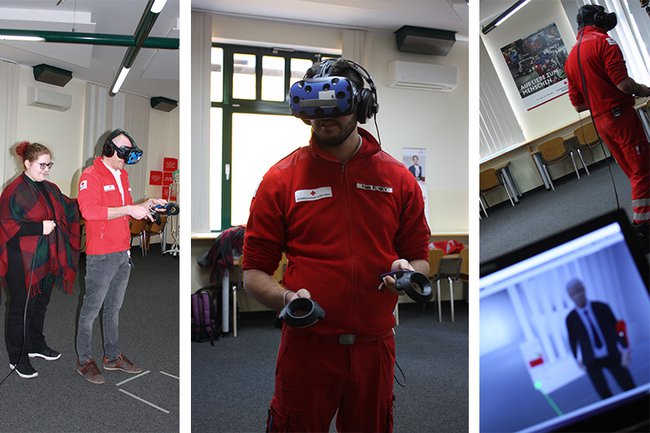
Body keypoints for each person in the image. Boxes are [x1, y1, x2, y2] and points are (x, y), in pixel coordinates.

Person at [242, 58, 430, 432]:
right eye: (315, 109)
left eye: (337, 106)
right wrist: (286, 299)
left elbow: (420, 259)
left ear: (361, 108)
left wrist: (409, 274)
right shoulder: (280, 180)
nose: (325, 118)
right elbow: (253, 272)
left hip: (374, 348)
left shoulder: (397, 179)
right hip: (308, 347)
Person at [75, 129, 166, 384]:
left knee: (113, 308)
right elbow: (90, 211)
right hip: (100, 255)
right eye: (122, 154)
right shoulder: (90, 176)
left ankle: (112, 356)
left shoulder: (122, 174)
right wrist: (129, 208)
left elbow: (123, 211)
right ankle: (84, 360)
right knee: (91, 310)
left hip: (122, 253)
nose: (125, 160)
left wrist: (146, 204)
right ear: (108, 150)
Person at [564, 4, 650, 249]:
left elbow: (579, 105)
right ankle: (642, 228)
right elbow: (623, 85)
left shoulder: (570, 59)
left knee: (635, 171)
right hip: (620, 117)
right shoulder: (605, 42)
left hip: (601, 123)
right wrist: (645, 90)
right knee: (642, 170)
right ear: (599, 19)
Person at [0, 141, 80, 378]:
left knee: (40, 304)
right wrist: (37, 227)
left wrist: (87, 201)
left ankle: (36, 345)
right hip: (19, 260)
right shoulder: (13, 191)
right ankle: (17, 357)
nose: (46, 169)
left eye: (49, 164)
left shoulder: (50, 188)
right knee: (20, 309)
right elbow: (5, 225)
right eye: (42, 164)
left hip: (46, 257)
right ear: (27, 163)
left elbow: (67, 207)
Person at [565, 278, 635, 399]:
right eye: (573, 293)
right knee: (604, 394)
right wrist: (577, 359)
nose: (578, 295)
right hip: (591, 360)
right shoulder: (571, 318)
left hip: (612, 354)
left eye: (579, 290)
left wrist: (625, 348)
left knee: (628, 385)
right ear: (570, 296)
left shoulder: (602, 307)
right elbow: (573, 340)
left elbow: (617, 328)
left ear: (584, 289)